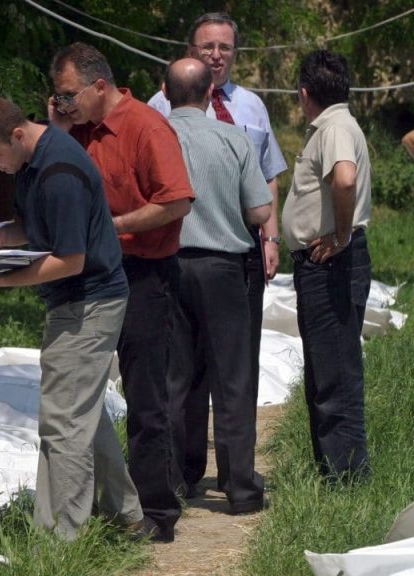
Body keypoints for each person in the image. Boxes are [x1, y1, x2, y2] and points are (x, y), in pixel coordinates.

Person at [0, 96, 148, 542]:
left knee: (62, 424)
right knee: (82, 414)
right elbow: (38, 224)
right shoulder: (32, 161)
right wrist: (0, 234)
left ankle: (60, 541)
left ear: (18, 135)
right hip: (77, 303)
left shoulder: (58, 171)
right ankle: (127, 516)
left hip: (88, 303)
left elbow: (69, 259)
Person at [49, 42, 194, 542]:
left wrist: (114, 228)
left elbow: (176, 201)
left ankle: (157, 511)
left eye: (69, 95)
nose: (63, 104)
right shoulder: (76, 131)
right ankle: (105, 504)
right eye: (56, 98)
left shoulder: (145, 127)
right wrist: (61, 130)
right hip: (90, 277)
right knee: (78, 390)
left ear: (99, 86)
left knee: (145, 395)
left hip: (144, 274)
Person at [149, 14, 289, 484]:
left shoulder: (251, 108)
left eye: (225, 48)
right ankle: (190, 471)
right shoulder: (157, 109)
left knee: (235, 368)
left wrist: (271, 237)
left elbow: (268, 177)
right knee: (189, 374)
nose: (216, 55)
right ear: (191, 49)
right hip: (178, 250)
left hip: (241, 250)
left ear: (235, 53)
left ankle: (225, 476)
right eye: (207, 46)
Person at [163, 58, 272, 513]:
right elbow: (260, 213)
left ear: (165, 95)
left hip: (167, 266)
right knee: (232, 379)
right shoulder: (233, 138)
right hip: (225, 267)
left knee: (174, 379)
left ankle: (174, 478)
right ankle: (241, 489)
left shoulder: (154, 136)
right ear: (211, 94)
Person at [282, 50, 372, 482]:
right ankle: (332, 471)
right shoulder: (336, 124)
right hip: (322, 264)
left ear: (304, 93)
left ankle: (348, 477)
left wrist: (340, 234)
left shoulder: (334, 127)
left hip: (332, 264)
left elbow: (345, 178)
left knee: (335, 374)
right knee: (324, 371)